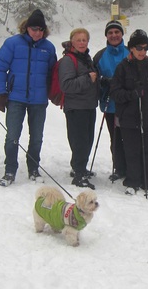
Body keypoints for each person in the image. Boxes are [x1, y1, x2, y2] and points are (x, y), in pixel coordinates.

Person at [0, 9, 57, 187]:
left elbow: (53, 73)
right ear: (26, 28)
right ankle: (10, 170)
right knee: (12, 136)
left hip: (39, 100)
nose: (37, 32)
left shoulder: (49, 48)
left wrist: (53, 93)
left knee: (36, 137)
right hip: (16, 98)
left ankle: (33, 168)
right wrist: (2, 92)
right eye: (33, 28)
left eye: (40, 29)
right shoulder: (13, 43)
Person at [110, 29, 148, 196]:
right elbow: (115, 93)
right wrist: (132, 94)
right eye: (139, 48)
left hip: (147, 116)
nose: (143, 51)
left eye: (145, 48)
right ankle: (133, 181)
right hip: (129, 117)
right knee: (132, 150)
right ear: (131, 48)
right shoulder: (122, 68)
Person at [59, 28, 100, 189]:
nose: (82, 43)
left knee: (87, 139)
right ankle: (79, 175)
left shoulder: (85, 58)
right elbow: (66, 85)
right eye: (79, 40)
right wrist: (87, 78)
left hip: (89, 105)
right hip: (76, 107)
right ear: (72, 42)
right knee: (80, 141)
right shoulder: (69, 60)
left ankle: (79, 168)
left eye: (84, 40)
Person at [93, 20, 130, 182]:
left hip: (128, 104)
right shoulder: (100, 56)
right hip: (110, 103)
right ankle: (119, 168)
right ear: (106, 35)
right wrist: (102, 82)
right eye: (110, 33)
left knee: (129, 137)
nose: (114, 35)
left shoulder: (130, 52)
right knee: (115, 138)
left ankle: (132, 168)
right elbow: (93, 78)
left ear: (122, 34)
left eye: (117, 32)